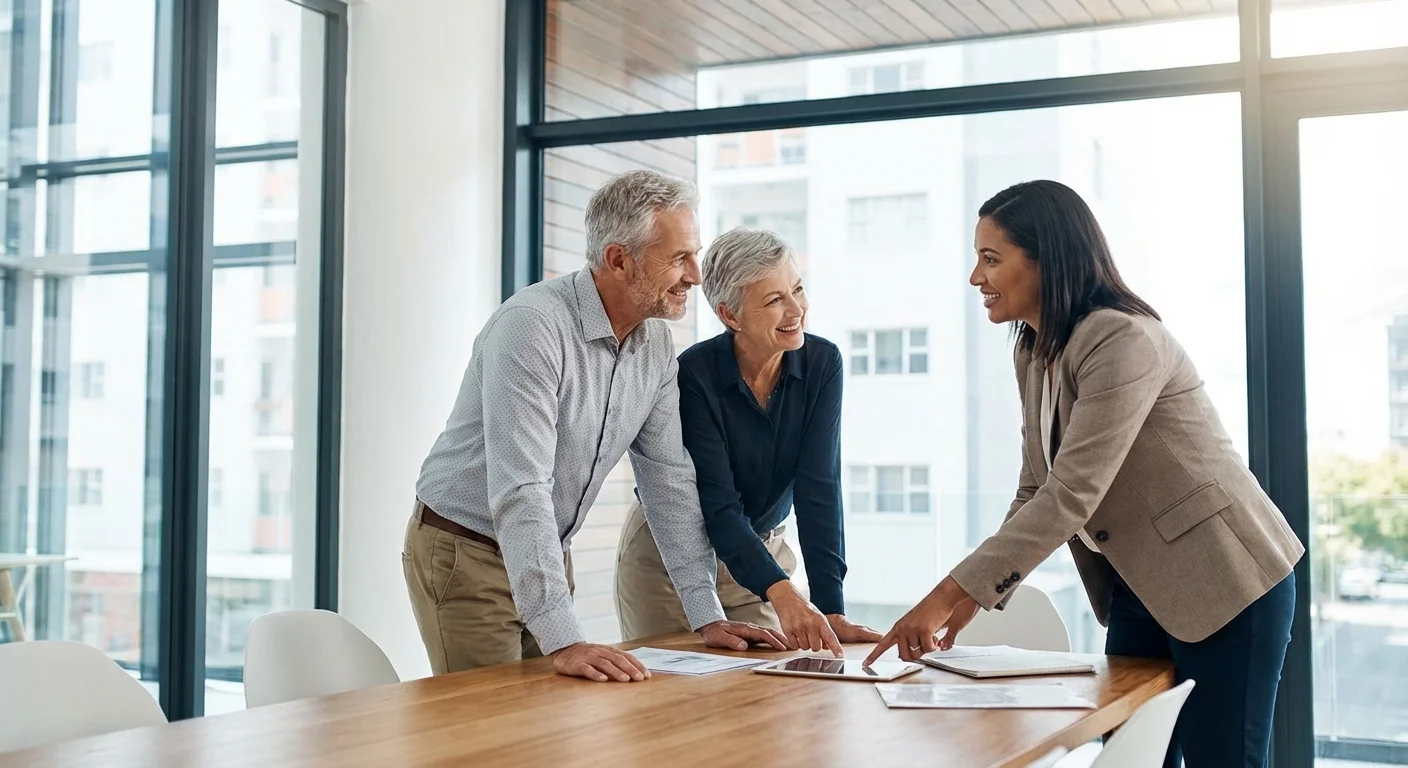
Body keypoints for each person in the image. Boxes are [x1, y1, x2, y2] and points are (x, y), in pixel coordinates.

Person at [865, 180, 1304, 768]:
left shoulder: (1122, 337)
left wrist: (946, 594)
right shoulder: (1034, 350)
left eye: (990, 259)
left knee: (1224, 760)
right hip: (1138, 587)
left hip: (1224, 580)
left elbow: (1072, 492)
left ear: (1048, 258)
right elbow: (1034, 487)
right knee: (1128, 755)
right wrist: (979, 595)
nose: (976, 278)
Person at [404, 170, 786, 683]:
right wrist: (565, 638)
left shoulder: (653, 346)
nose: (696, 274)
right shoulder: (533, 327)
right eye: (678, 258)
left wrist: (707, 615)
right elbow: (522, 488)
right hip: (467, 551)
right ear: (618, 259)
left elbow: (669, 482)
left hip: (543, 549)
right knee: (485, 734)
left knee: (546, 725)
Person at [615, 227, 882, 656]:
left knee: (766, 695)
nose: (796, 309)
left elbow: (819, 488)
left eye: (796, 289)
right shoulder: (693, 376)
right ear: (731, 315)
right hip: (671, 558)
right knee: (669, 702)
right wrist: (783, 592)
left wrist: (830, 608)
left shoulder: (821, 363)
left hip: (761, 555)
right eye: (775, 300)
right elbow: (717, 504)